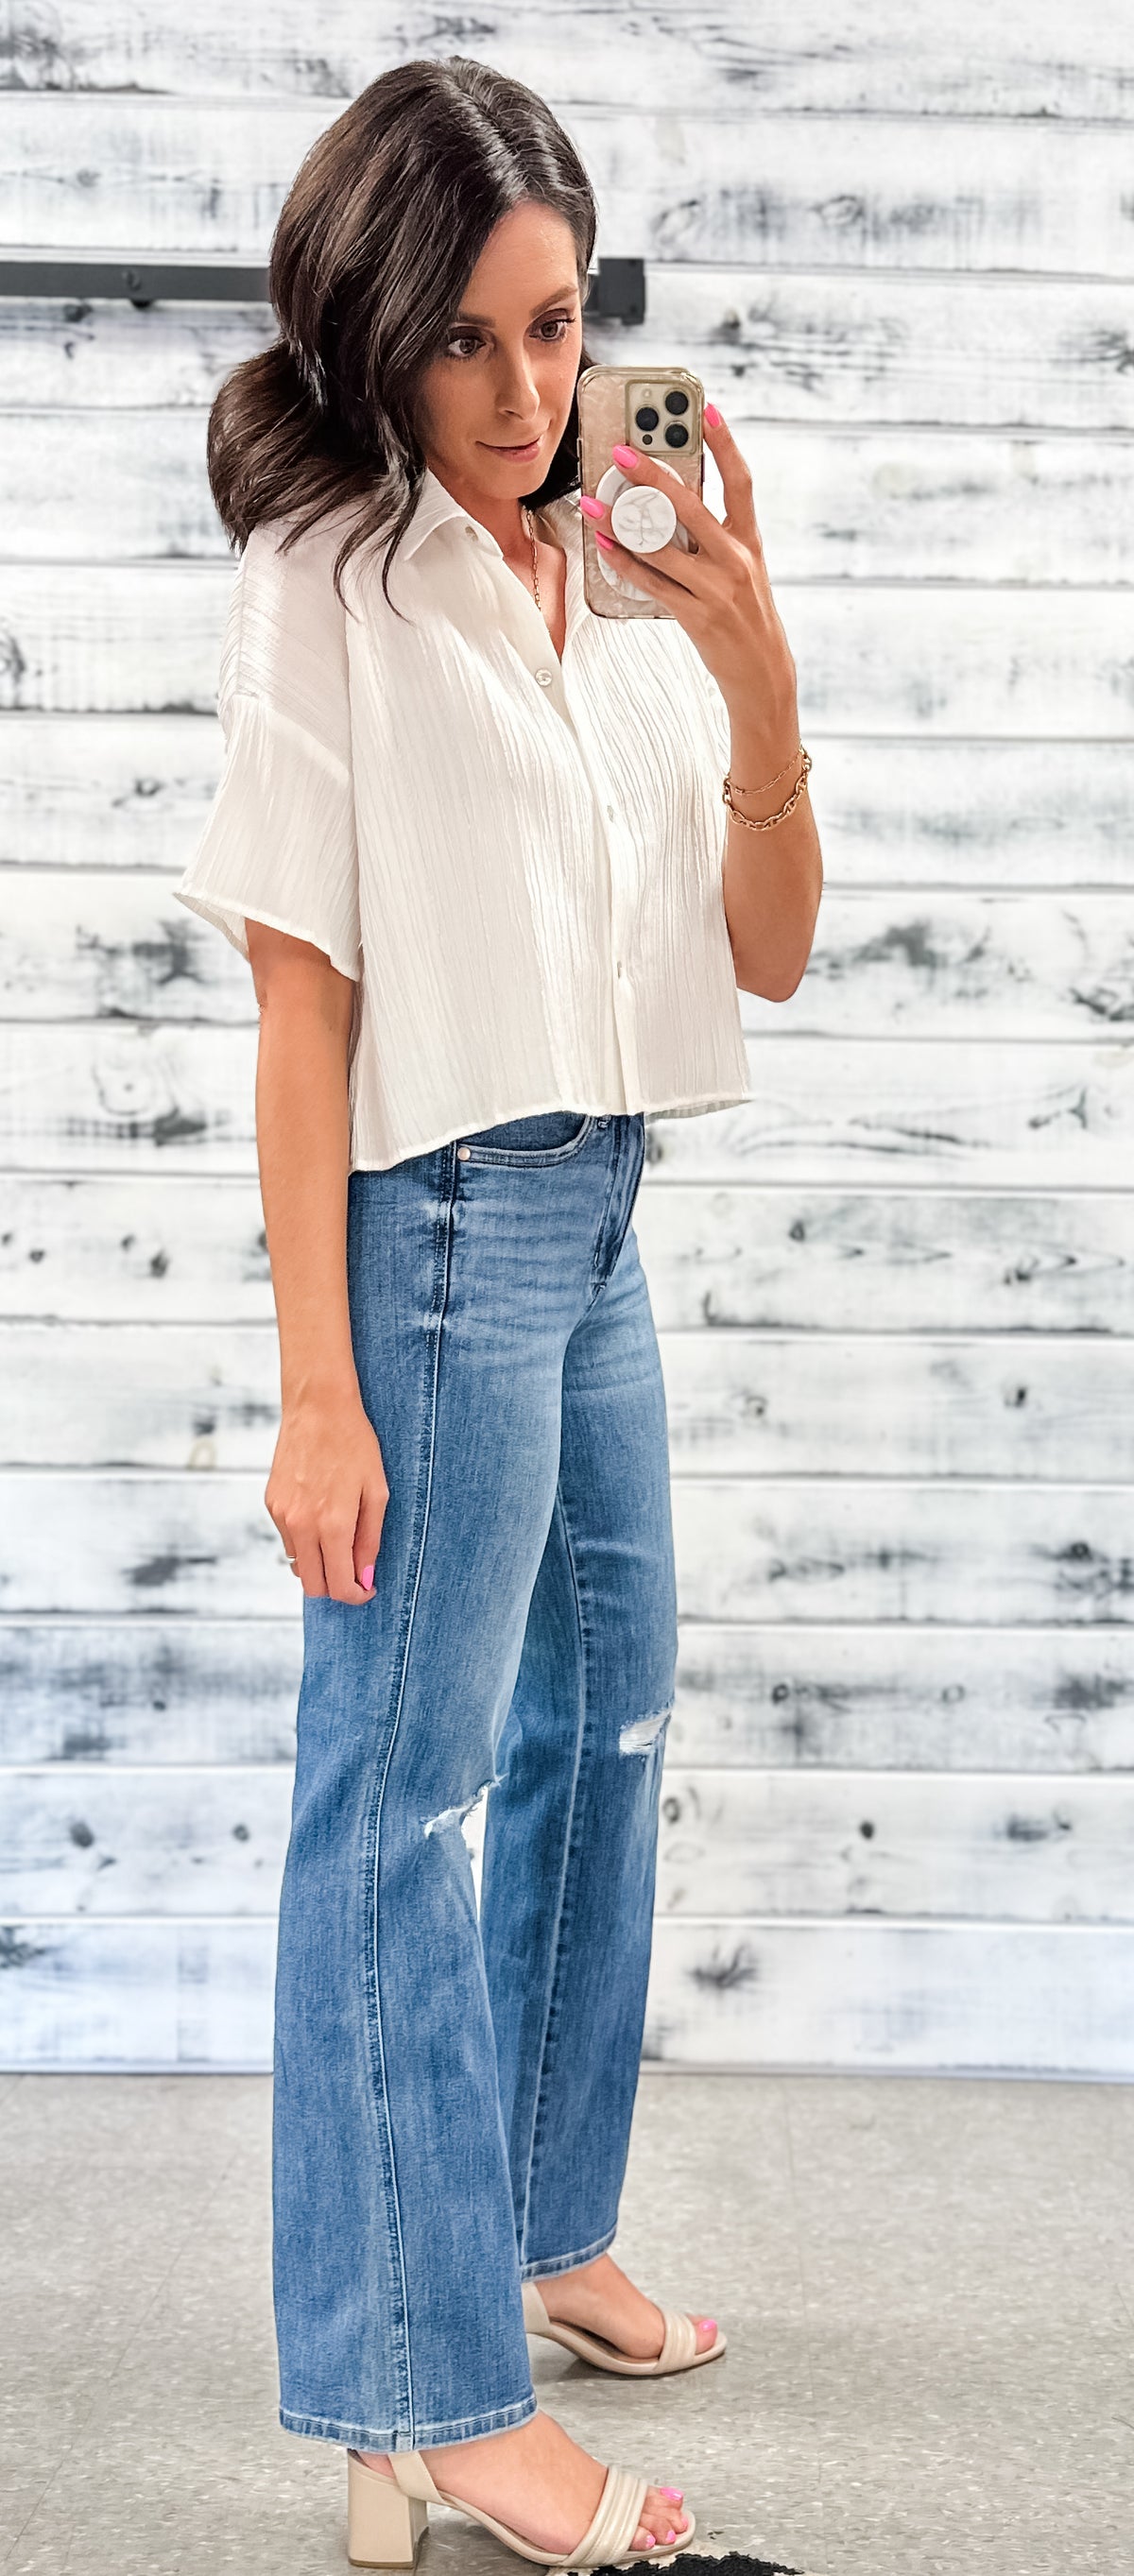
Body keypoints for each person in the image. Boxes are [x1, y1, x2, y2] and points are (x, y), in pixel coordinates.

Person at [174, 53, 821, 2573]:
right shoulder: (326, 582)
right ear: (375, 343)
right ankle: (423, 2394)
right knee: (398, 1802)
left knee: (611, 1732)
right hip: (434, 1235)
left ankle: (539, 2240)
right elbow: (299, 1007)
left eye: (559, 327)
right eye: (469, 343)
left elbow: (760, 944)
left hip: (607, 1200)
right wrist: (316, 1389)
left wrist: (748, 657)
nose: (532, 394)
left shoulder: (633, 571)